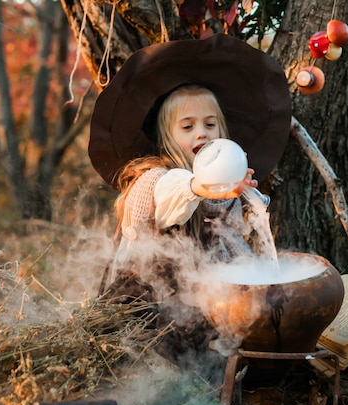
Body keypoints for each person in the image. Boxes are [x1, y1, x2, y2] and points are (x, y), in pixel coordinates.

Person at [88, 34, 292, 361]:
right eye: (187, 126)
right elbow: (171, 192)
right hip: (148, 320)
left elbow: (233, 250)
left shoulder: (229, 197)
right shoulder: (156, 180)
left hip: (202, 317)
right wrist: (200, 187)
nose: (202, 132)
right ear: (166, 138)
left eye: (210, 124)